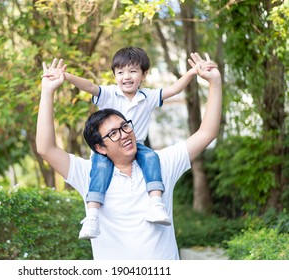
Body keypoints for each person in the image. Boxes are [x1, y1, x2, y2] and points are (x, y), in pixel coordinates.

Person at [37, 52, 222, 259]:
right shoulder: (88, 173)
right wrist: (48, 91)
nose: (124, 134)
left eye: (125, 126)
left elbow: (207, 133)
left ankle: (156, 204)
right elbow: (46, 148)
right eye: (114, 133)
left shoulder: (161, 163)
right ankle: (91, 216)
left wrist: (214, 82)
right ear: (100, 147)